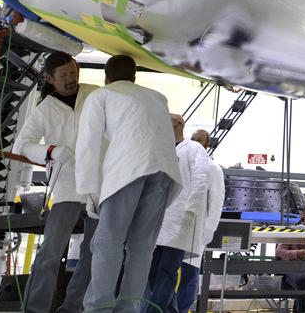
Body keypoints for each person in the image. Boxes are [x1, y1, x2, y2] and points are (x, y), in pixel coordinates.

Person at [75, 55, 180, 313]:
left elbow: (87, 145)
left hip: (128, 170)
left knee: (108, 243)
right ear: (135, 77)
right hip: (164, 171)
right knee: (141, 247)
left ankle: (98, 309)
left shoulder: (102, 95)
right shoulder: (157, 97)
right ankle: (128, 309)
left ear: (106, 78)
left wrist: (89, 192)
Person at [13, 52, 101, 313]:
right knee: (51, 251)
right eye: (64, 76)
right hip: (67, 186)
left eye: (74, 72)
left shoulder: (95, 94)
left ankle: (73, 308)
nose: (71, 79)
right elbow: (22, 144)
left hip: (98, 185)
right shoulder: (45, 109)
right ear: (50, 79)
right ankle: (34, 308)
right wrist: (50, 151)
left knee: (92, 253)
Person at [142, 115, 210, 313]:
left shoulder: (194, 149)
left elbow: (200, 180)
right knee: (153, 273)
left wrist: (191, 210)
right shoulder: (162, 149)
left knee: (166, 272)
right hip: (157, 220)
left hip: (181, 221)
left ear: (176, 123)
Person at [172, 137, 225, 313]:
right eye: (194, 138)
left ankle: (181, 310)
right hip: (172, 229)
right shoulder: (179, 159)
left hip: (196, 230)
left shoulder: (212, 168)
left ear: (207, 144)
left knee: (188, 275)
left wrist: (210, 228)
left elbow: (216, 200)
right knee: (165, 275)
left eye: (200, 140)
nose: (196, 142)